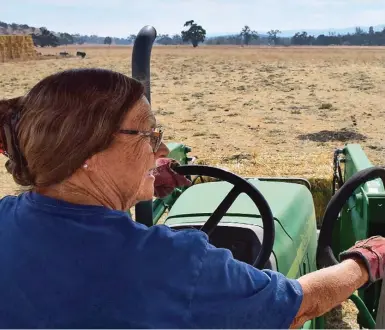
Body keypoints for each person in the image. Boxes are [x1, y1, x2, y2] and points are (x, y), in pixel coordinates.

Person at [0, 68, 383, 329]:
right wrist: (364, 261)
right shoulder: (172, 264)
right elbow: (299, 305)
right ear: (89, 154)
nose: (162, 146)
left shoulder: (5, 218)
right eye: (148, 135)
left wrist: (138, 183)